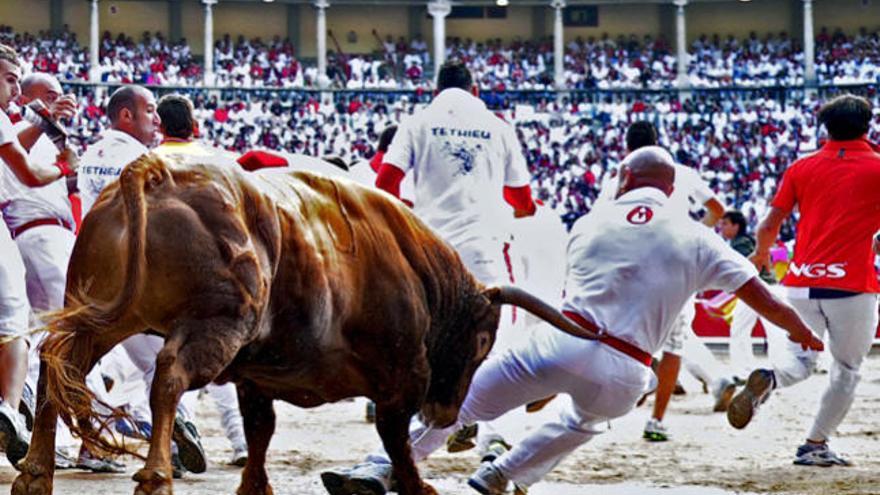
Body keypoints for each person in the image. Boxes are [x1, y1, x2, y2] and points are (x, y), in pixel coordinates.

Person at [320, 146, 823, 495]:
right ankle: (502, 476)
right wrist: (800, 331)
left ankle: (381, 467)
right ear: (670, 191)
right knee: (583, 420)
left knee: (459, 407)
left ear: (623, 180)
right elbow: (757, 294)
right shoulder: (695, 236)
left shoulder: (589, 222)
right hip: (625, 368)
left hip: (563, 338)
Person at [373, 59, 536, 458]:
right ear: (475, 91)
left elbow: (386, 183)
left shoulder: (418, 121)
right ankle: (492, 436)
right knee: (488, 344)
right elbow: (523, 199)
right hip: (482, 248)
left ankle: (422, 428)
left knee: (424, 343)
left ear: (436, 91)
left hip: (430, 250)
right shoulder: (499, 127)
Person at [728, 94, 880, 467]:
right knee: (846, 369)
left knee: (800, 361)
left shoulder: (801, 166)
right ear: (868, 125)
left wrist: (762, 255)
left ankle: (769, 378)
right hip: (852, 285)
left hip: (801, 282)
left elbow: (769, 224)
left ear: (825, 128)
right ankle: (815, 443)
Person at [597, 121, 736, 442]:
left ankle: (637, 381)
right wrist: (695, 233)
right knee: (675, 343)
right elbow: (717, 210)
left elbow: (602, 222)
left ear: (627, 148)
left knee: (619, 334)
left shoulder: (617, 180)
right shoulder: (683, 173)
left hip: (630, 266)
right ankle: (657, 420)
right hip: (675, 265)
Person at [0, 44, 78, 466]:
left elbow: (12, 146)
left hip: (19, 233)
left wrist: (44, 121)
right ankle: (11, 412)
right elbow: (28, 172)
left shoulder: (7, 123)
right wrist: (64, 166)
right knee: (18, 323)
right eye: (10, 79)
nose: (14, 88)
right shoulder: (2, 117)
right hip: (24, 233)